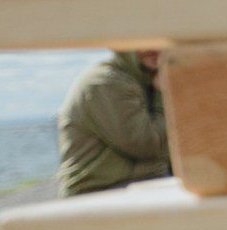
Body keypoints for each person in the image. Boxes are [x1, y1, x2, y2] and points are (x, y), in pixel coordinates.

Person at [57, 50, 167, 197]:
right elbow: (147, 144)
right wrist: (164, 93)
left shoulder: (145, 77)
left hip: (133, 183)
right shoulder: (105, 81)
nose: (154, 48)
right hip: (97, 191)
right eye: (144, 40)